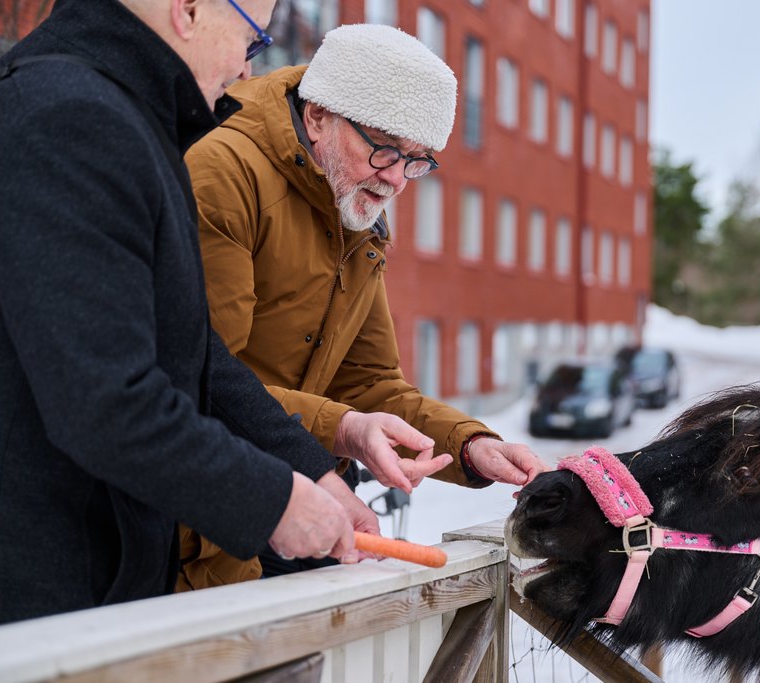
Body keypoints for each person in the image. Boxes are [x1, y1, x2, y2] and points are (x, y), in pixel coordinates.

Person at [0, 0, 378, 629]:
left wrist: (309, 468)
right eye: (251, 44)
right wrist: (269, 502)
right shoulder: (68, 118)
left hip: (88, 600)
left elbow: (187, 352)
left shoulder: (117, 116)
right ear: (188, 10)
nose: (247, 75)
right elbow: (106, 401)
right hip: (31, 614)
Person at [179, 23, 549, 588]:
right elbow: (200, 376)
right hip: (210, 513)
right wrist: (345, 429)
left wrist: (471, 446)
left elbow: (369, 382)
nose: (397, 178)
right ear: (319, 116)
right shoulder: (224, 176)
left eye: (418, 160)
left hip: (312, 500)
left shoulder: (353, 201)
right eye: (383, 147)